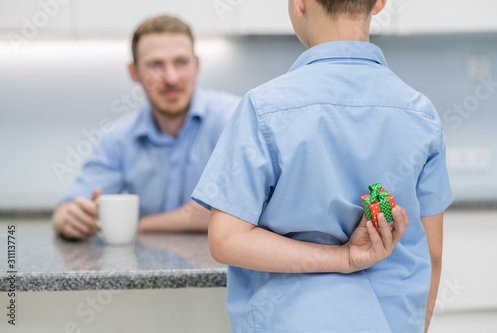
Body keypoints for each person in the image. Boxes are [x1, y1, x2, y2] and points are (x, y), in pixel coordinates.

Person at [191, 0, 453, 332]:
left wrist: (341, 259)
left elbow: (227, 240)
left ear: (299, 3)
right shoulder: (421, 114)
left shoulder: (263, 109)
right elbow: (433, 253)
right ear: (379, 3)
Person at [52, 15, 240, 240]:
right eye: (156, 65)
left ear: (196, 65)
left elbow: (229, 210)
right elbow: (67, 209)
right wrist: (70, 219)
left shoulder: (233, 120)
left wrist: (142, 225)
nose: (171, 78)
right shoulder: (118, 139)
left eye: (181, 62)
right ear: (134, 72)